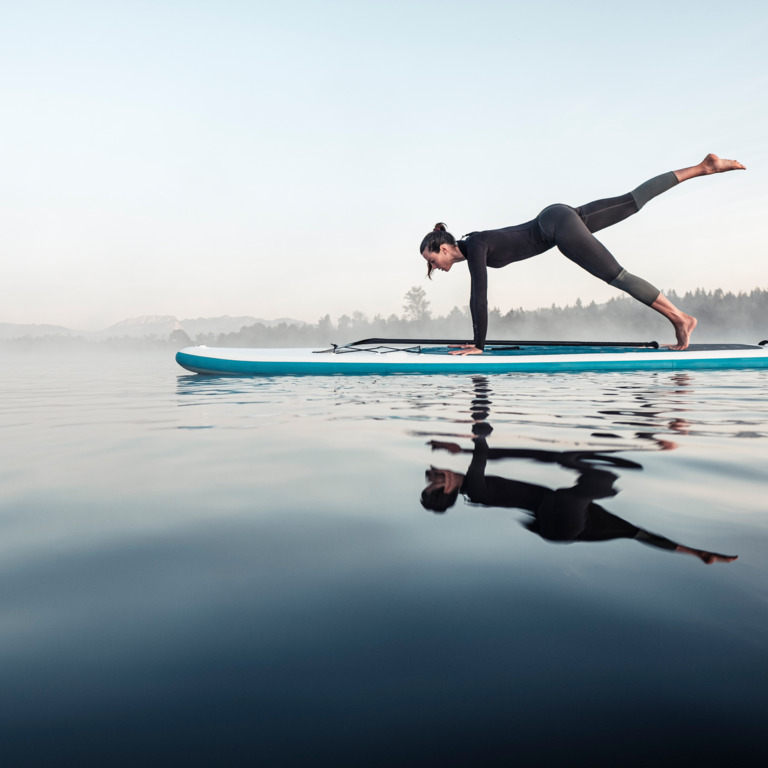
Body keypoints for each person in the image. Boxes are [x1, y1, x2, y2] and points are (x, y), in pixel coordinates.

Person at [419, 154, 746, 354]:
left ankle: (681, 318)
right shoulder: (472, 240)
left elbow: (479, 296)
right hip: (557, 215)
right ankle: (705, 167)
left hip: (556, 228)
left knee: (617, 276)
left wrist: (479, 345)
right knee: (632, 201)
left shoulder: (473, 246)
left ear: (444, 248)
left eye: (433, 260)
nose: (436, 267)